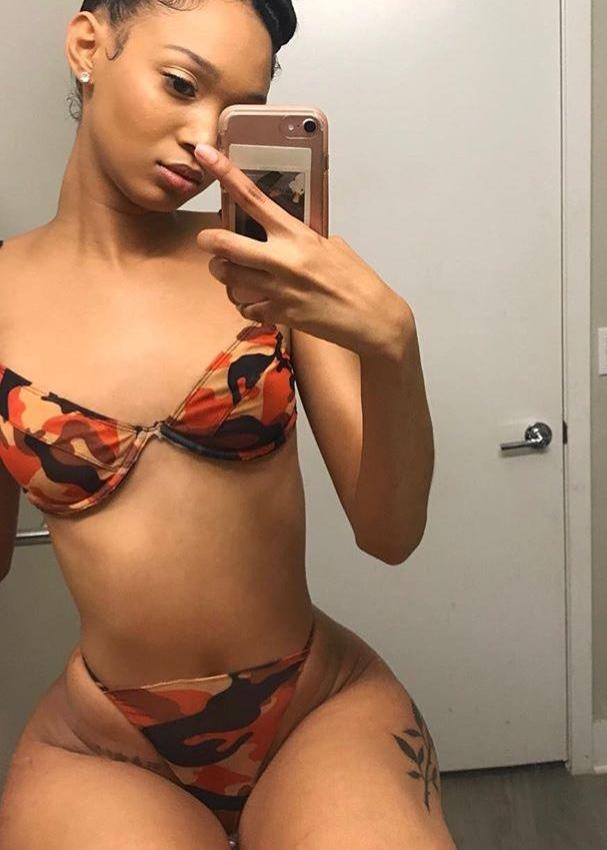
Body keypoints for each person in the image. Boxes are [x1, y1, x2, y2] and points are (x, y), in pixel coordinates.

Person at [0, 1, 456, 848]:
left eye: (236, 113)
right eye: (181, 85)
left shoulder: (268, 270)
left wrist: (394, 344)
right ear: (88, 44)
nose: (206, 142)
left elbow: (390, 534)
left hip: (316, 710)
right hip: (105, 748)